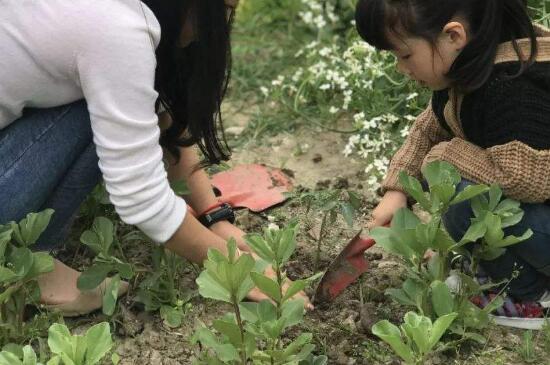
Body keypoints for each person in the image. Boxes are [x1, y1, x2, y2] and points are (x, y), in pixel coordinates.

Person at [0, 0, 311, 316]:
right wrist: (241, 270)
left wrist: (214, 216)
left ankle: (24, 255)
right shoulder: (117, 28)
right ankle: (23, 262)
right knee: (99, 112)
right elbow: (142, 199)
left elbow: (157, 115)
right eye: (224, 10)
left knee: (112, 101)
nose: (218, 26)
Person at [355, 0, 550, 317]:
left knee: (458, 190)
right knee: (457, 185)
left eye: (404, 55)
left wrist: (446, 157)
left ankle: (533, 297)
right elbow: (430, 127)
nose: (400, 68)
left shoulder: (515, 87)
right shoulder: (472, 67)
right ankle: (507, 273)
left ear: (454, 36)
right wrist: (398, 189)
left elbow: (525, 180)